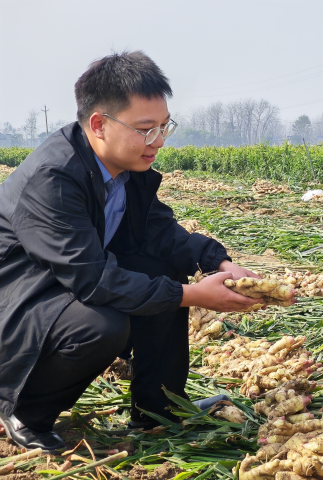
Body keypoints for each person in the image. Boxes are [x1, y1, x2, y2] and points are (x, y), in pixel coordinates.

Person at [0, 51, 265, 452]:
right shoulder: (54, 180)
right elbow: (93, 279)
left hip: (63, 283)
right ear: (99, 124)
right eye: (145, 129)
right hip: (19, 300)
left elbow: (158, 231)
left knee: (162, 267)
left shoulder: (126, 167)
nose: (157, 141)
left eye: (163, 127)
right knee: (101, 325)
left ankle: (158, 410)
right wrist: (192, 295)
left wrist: (220, 261)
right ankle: (24, 411)